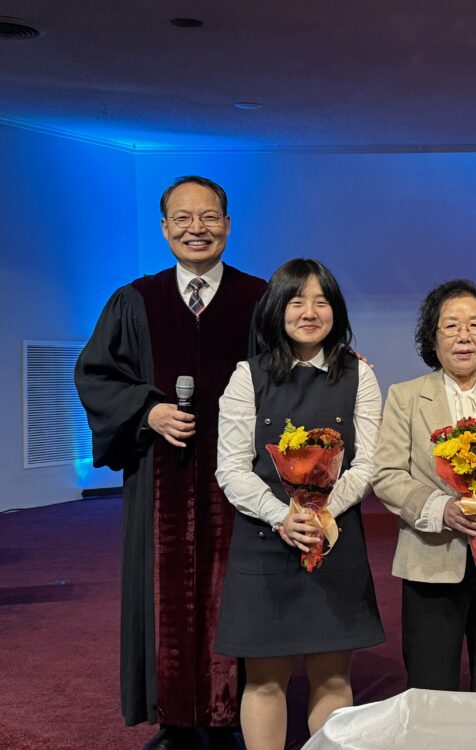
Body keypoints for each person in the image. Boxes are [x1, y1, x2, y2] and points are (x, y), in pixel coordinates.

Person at [75, 176, 266, 750]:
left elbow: (296, 367)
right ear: (164, 228)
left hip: (241, 480)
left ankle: (232, 716)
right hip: (161, 477)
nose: (196, 229)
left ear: (227, 225)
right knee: (167, 593)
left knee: (237, 588)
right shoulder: (137, 300)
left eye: (208, 217)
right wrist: (148, 410)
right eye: (183, 218)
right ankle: (175, 720)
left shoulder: (260, 299)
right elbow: (97, 375)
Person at [214, 258, 384, 748]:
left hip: (334, 540)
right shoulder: (247, 376)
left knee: (332, 678)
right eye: (296, 301)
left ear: (336, 310)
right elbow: (232, 467)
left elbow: (368, 464)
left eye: (321, 301)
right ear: (276, 309)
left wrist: (320, 513)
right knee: (264, 680)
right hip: (264, 541)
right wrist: (283, 516)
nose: (309, 312)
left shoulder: (359, 374)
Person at [372, 279, 476, 691]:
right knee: (431, 688)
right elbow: (387, 473)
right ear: (432, 338)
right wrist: (439, 509)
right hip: (431, 560)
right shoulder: (406, 396)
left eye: (475, 325)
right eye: (451, 325)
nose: (464, 336)